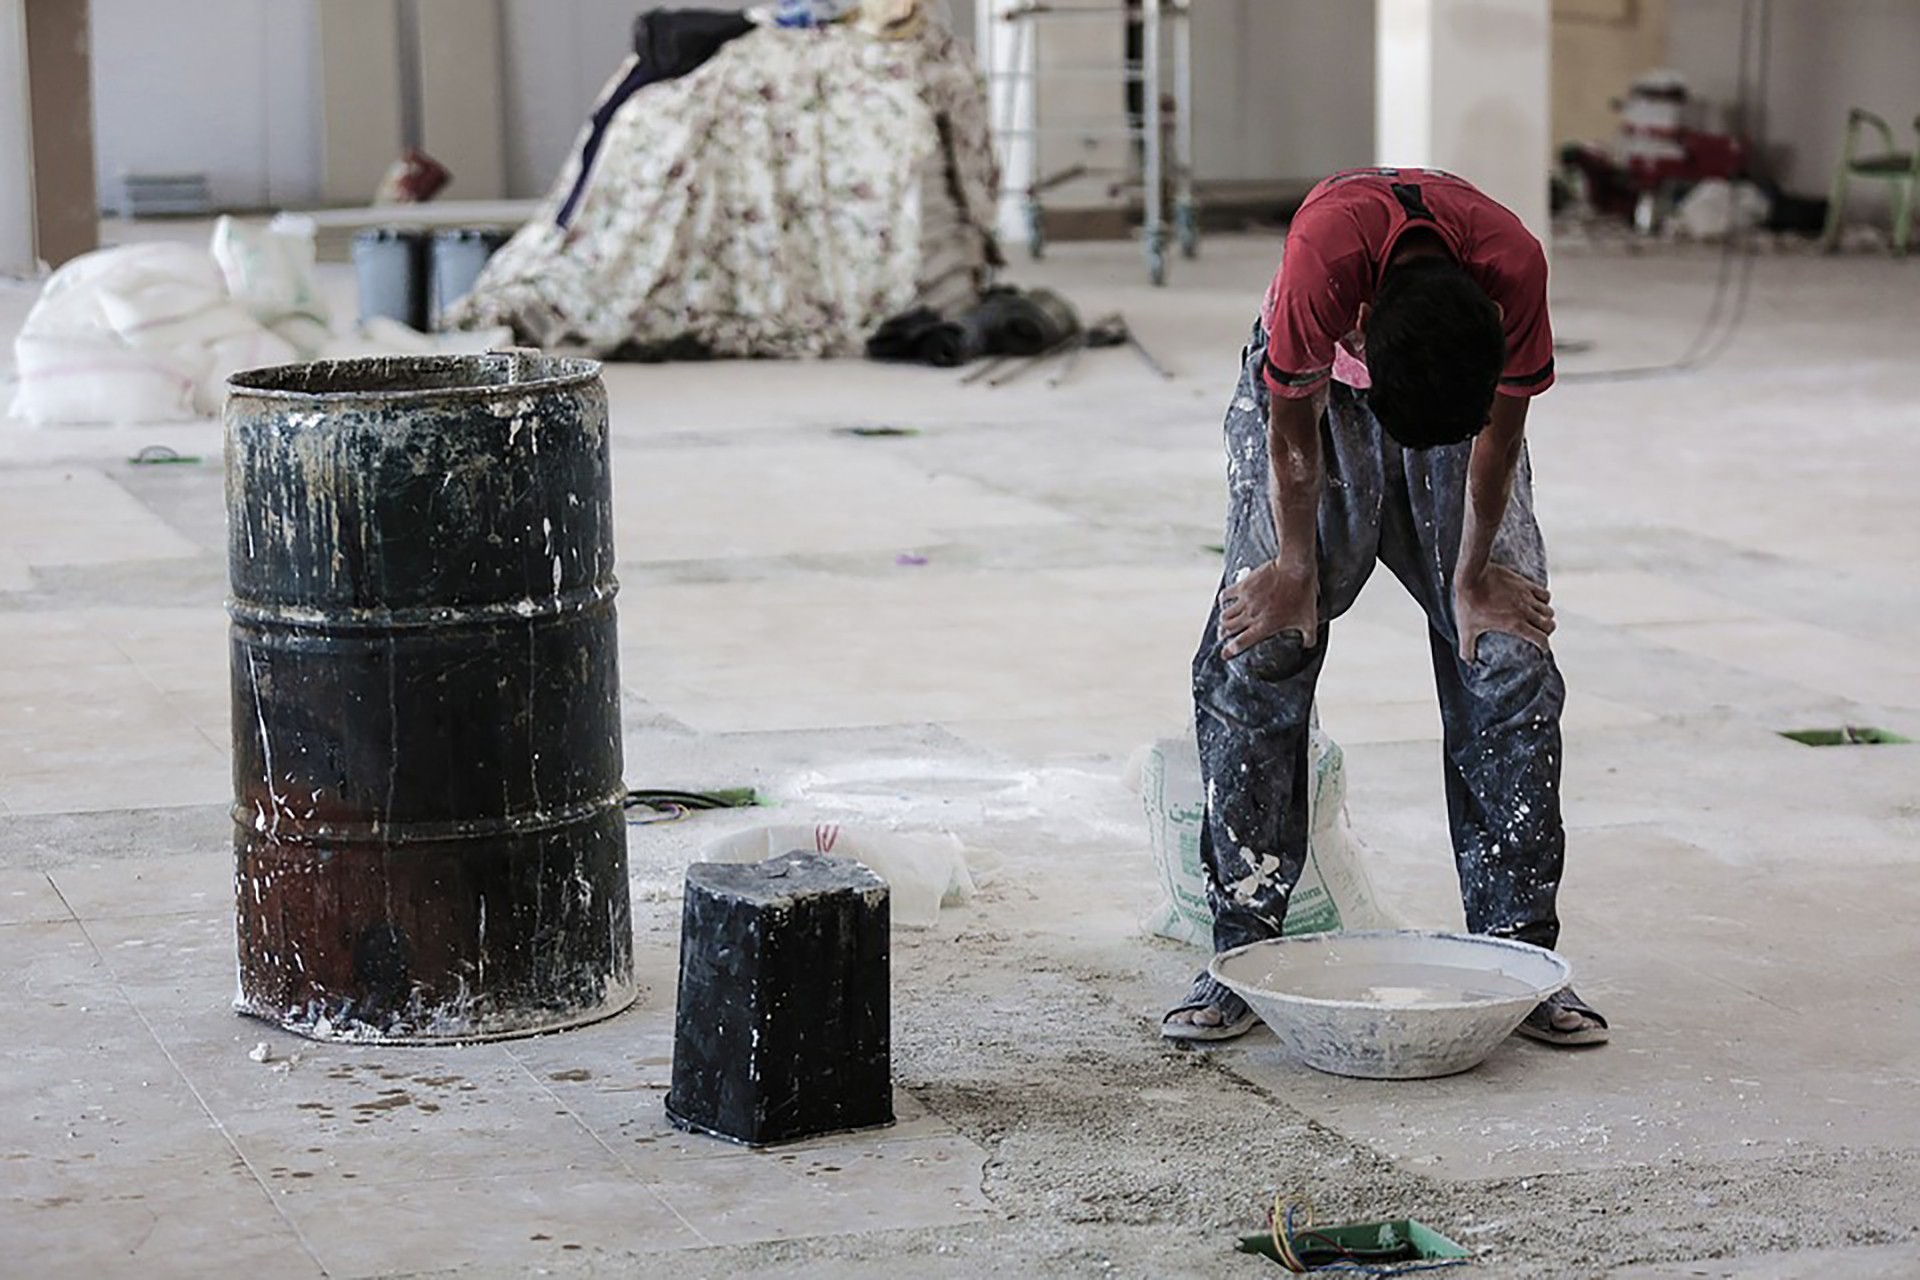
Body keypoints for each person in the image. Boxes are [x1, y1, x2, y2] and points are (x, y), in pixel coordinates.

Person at [1163, 167, 1609, 1048]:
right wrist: (1293, 568)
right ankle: (1242, 951)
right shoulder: (1323, 256)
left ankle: (1519, 957)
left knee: (1511, 660)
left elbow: (1502, 433)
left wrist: (1475, 574)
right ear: (1359, 324)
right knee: (1257, 648)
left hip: (1453, 409)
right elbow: (1292, 435)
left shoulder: (1512, 266)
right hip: (1318, 411)